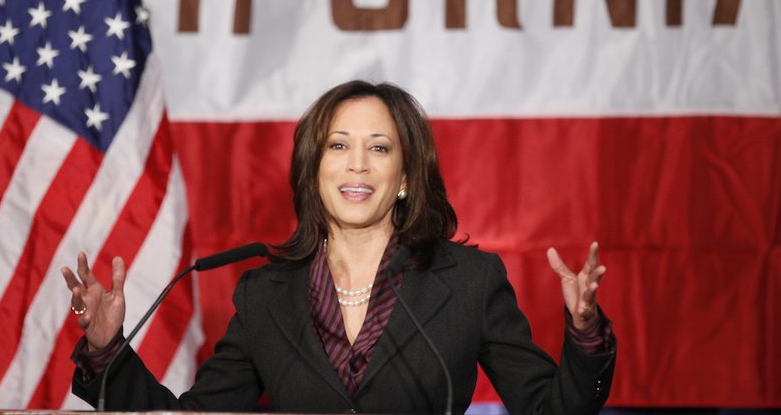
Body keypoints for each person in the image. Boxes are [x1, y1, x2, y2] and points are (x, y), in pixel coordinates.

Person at [62, 80, 616, 414]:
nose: (357, 163)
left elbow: (552, 410)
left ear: (403, 177)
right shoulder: (265, 295)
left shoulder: (469, 281)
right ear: (315, 170)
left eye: (379, 147)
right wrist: (109, 351)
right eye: (338, 146)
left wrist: (585, 332)